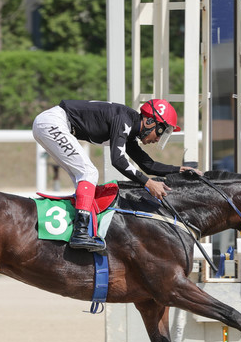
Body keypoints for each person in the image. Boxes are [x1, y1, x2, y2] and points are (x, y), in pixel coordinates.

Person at [32, 99, 202, 252]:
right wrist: (148, 183)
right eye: (160, 131)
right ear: (149, 121)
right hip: (53, 123)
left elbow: (147, 165)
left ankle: (81, 230)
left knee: (83, 179)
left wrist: (179, 170)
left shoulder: (130, 129)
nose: (158, 139)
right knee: (89, 173)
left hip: (53, 123)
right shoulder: (124, 120)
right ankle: (80, 232)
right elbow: (118, 160)